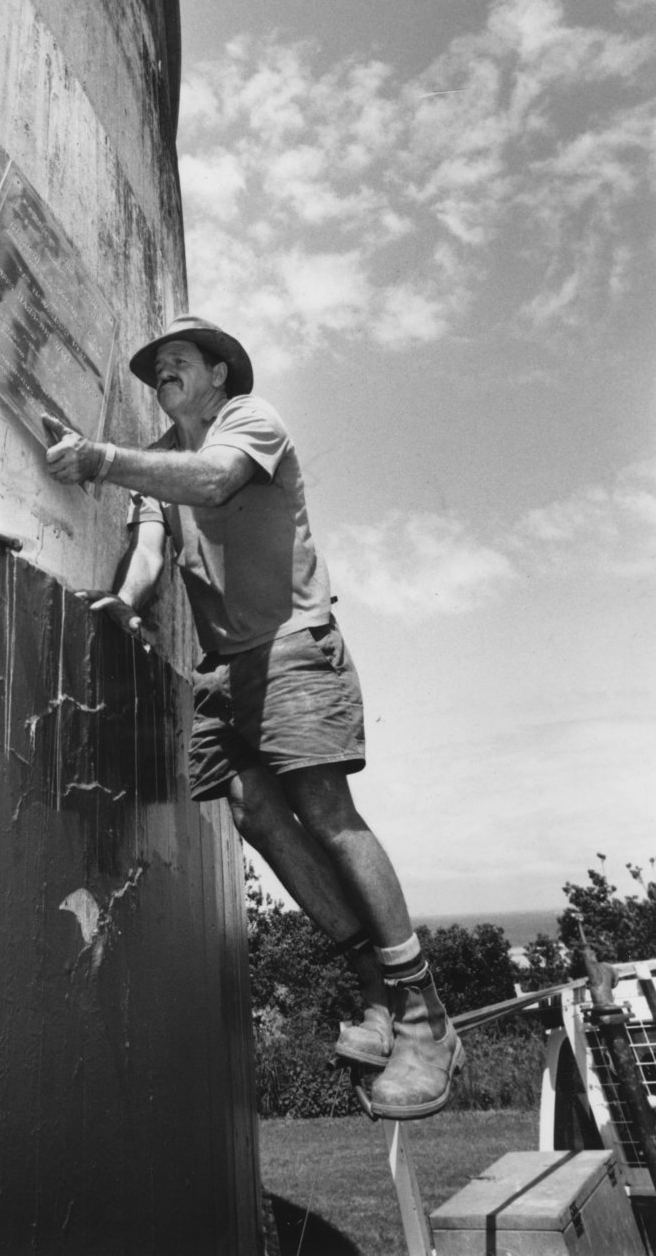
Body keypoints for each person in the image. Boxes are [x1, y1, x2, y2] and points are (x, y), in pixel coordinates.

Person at [43, 314, 463, 1119]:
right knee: (254, 809)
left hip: (292, 646)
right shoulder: (159, 459)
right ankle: (375, 988)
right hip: (224, 670)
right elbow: (152, 551)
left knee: (324, 810)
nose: (161, 374)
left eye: (176, 362)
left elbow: (214, 481)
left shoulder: (249, 423)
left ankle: (423, 1017)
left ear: (218, 375)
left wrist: (95, 456)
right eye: (155, 366)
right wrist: (129, 603)